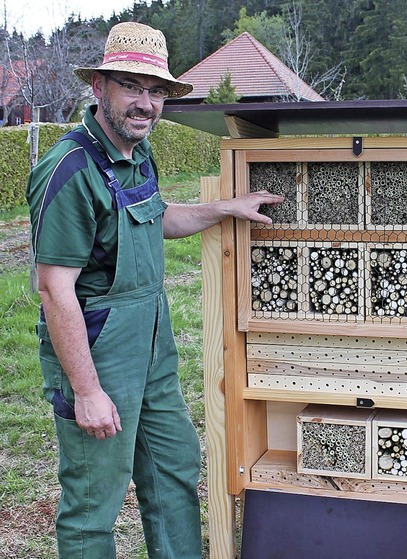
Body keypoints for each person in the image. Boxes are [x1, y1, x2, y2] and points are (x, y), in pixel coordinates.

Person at [26, 22, 283, 559]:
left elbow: (154, 217)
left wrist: (225, 209)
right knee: (94, 500)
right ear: (99, 88)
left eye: (157, 91)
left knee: (172, 471)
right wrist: (89, 391)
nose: (146, 103)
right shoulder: (70, 170)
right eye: (131, 86)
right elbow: (54, 289)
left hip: (153, 343)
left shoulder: (138, 152)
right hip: (99, 345)